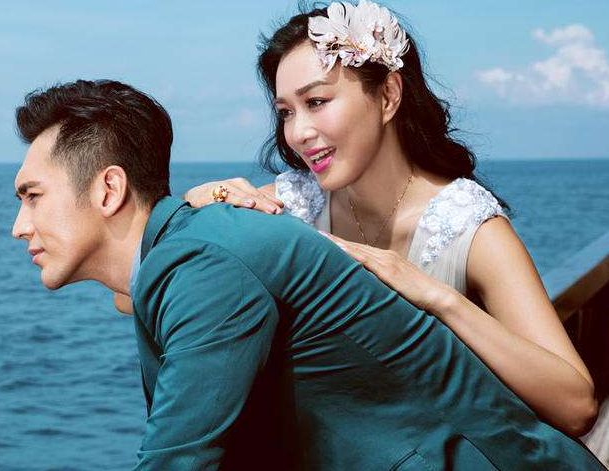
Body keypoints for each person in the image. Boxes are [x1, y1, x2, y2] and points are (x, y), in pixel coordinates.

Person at [11, 78, 605, 469]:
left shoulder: (201, 259)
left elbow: (179, 456)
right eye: (286, 111)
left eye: (33, 196)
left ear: (109, 188)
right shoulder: (199, 243)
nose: (19, 226)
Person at [183, 0, 599, 439]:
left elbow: (576, 406)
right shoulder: (292, 205)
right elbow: (154, 271)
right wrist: (204, 198)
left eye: (317, 101)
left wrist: (438, 299)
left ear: (388, 96)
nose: (298, 132)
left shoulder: (466, 225)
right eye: (286, 111)